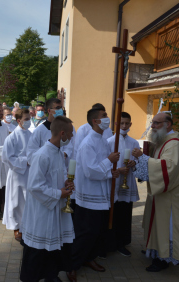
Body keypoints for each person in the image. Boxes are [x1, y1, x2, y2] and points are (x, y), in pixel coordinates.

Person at [132, 112, 179, 272]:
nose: (152, 126)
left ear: (168, 124)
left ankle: (163, 258)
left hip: (171, 198)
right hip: (162, 194)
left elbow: (168, 168)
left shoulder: (173, 144)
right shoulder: (164, 140)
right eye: (152, 122)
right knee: (157, 224)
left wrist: (143, 159)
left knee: (167, 227)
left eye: (157, 123)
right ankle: (155, 250)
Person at [67, 105, 120, 281]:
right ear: (95, 121)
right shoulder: (87, 143)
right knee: (85, 233)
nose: (107, 118)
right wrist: (108, 161)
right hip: (89, 196)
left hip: (101, 194)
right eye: (104, 116)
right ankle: (71, 266)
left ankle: (88, 258)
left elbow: (101, 169)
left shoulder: (103, 140)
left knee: (96, 232)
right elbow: (90, 171)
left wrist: (111, 172)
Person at [19, 116, 75, 282]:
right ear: (62, 133)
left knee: (53, 247)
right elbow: (34, 186)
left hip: (54, 208)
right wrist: (59, 193)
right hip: (42, 211)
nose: (72, 137)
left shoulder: (58, 152)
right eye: (70, 134)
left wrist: (65, 182)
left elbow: (57, 175)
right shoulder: (42, 155)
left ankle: (51, 275)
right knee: (38, 249)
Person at [107, 112, 140, 257]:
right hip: (115, 181)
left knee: (125, 212)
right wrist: (116, 170)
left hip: (128, 180)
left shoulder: (134, 142)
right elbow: (105, 162)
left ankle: (122, 242)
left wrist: (134, 162)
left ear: (131, 124)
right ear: (116, 124)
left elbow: (138, 161)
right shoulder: (109, 142)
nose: (124, 126)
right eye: (121, 123)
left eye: (127, 123)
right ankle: (111, 242)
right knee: (113, 213)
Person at [1, 108, 32, 242]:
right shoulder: (12, 137)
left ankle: (27, 226)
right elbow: (7, 157)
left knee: (27, 201)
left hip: (30, 173)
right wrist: (26, 161)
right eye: (26, 119)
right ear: (19, 121)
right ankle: (16, 227)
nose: (29, 122)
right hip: (17, 174)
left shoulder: (31, 135)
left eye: (30, 118)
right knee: (16, 201)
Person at [27, 98, 70, 165]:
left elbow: (69, 146)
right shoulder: (39, 131)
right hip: (45, 169)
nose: (60, 110)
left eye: (61, 108)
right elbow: (31, 153)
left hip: (60, 168)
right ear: (49, 110)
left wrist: (64, 154)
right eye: (57, 108)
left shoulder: (64, 128)